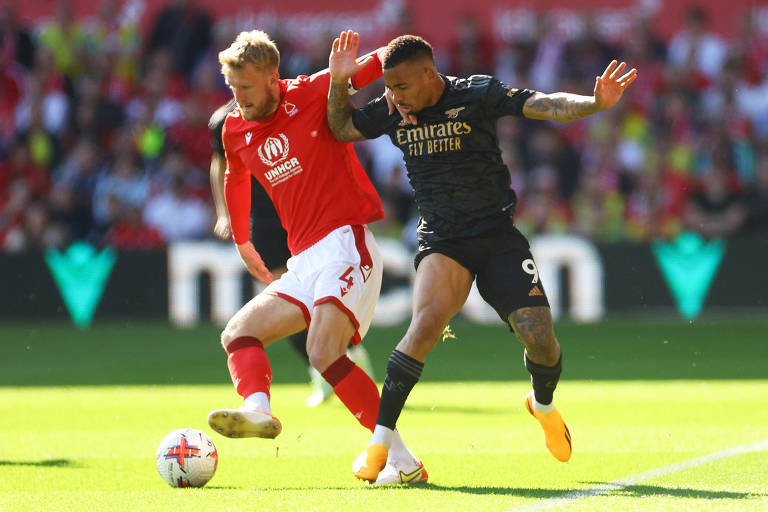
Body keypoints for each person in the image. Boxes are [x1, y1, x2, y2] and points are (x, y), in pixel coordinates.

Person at [326, 34, 637, 482]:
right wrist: (339, 82)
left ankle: (542, 403)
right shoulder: (393, 110)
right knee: (425, 324)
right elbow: (341, 129)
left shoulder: (477, 93)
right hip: (443, 240)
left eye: (402, 86)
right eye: (388, 87)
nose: (393, 96)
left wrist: (593, 103)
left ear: (430, 74)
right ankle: (379, 442)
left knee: (540, 338)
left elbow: (545, 104)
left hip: (496, 237)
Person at [207, 29, 427, 485]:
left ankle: (397, 455)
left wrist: (370, 65)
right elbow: (234, 176)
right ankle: (258, 412)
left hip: (346, 241)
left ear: (272, 77)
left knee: (323, 351)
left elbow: (376, 64)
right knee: (238, 333)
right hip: (304, 257)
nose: (238, 99)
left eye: (245, 88)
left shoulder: (309, 91)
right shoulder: (234, 128)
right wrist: (243, 241)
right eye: (232, 89)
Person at [208, 98, 374, 408]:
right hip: (266, 222)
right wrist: (224, 213)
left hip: (304, 216)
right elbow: (221, 164)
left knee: (316, 297)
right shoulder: (224, 122)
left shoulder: (291, 106)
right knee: (285, 302)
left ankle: (343, 354)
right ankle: (322, 366)